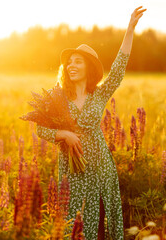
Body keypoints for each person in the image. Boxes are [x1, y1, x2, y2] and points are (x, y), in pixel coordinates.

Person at [37, 6, 146, 240]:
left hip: (100, 166)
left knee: (102, 217)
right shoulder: (58, 96)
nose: (71, 66)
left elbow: (118, 68)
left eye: (78, 62)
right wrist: (65, 135)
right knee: (76, 218)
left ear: (89, 67)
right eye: (69, 62)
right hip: (72, 169)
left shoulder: (99, 93)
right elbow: (40, 129)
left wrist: (129, 29)